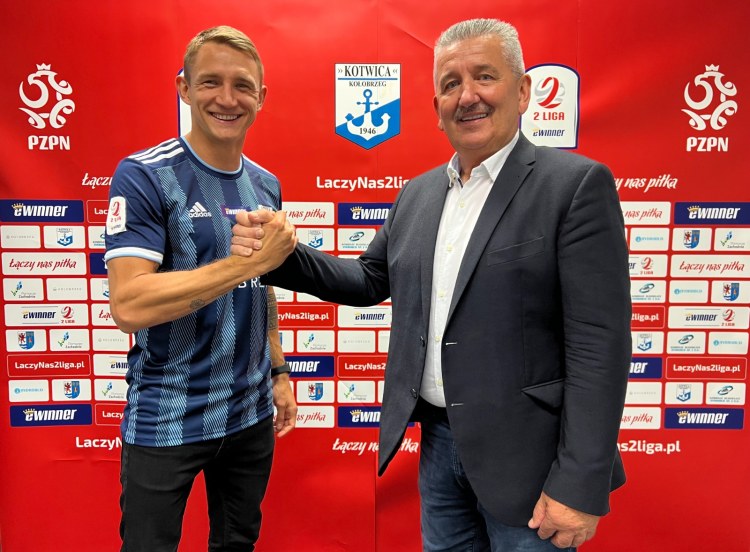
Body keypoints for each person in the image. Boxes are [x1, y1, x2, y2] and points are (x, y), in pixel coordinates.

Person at [234, 17, 632, 551]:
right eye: (450, 84)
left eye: (484, 76)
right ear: (436, 107)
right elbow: (368, 279)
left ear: (522, 91)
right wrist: (280, 255)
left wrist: (579, 484)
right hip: (440, 447)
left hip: (532, 461)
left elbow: (599, 347)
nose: (467, 96)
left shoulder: (575, 186)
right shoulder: (418, 194)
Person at [104, 25, 299, 552]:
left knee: (238, 544)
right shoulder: (143, 176)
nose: (227, 99)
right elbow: (129, 304)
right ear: (184, 88)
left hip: (249, 414)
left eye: (243, 86)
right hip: (165, 416)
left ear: (261, 97)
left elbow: (262, 284)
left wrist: (279, 371)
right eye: (211, 82)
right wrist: (241, 265)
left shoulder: (266, 183)